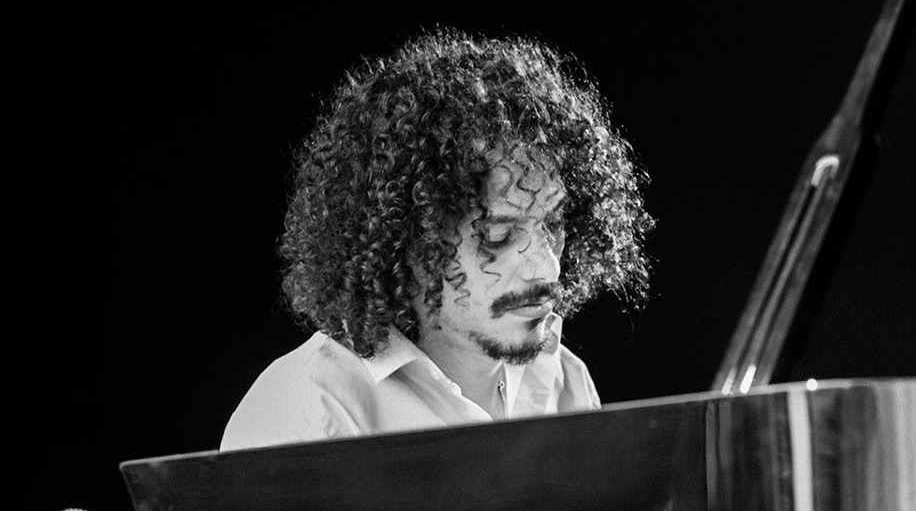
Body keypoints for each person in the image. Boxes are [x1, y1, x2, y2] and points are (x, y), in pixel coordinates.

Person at [222, 29, 652, 450]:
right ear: (408, 242)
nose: (547, 267)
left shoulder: (562, 378)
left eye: (553, 225)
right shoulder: (306, 410)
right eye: (497, 236)